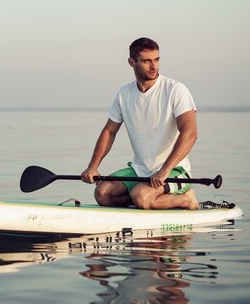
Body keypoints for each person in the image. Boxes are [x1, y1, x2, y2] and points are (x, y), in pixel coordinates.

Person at [81, 37, 199, 210]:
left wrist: (165, 170)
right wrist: (93, 167)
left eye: (156, 60)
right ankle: (147, 200)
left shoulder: (175, 90)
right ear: (131, 62)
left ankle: (187, 199)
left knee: (141, 197)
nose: (153, 66)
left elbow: (190, 133)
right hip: (140, 170)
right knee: (103, 194)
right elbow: (109, 132)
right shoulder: (124, 94)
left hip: (175, 171)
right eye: (146, 61)